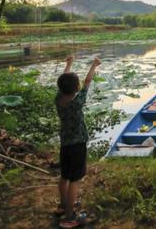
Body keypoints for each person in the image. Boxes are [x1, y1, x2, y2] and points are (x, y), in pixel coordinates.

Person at [55, 55, 101, 228]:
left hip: (65, 144)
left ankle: (63, 205)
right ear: (76, 87)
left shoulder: (58, 100)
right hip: (77, 144)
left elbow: (63, 81)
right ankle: (70, 216)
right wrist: (94, 64)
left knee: (65, 176)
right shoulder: (77, 102)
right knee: (75, 179)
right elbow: (88, 81)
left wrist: (69, 64)